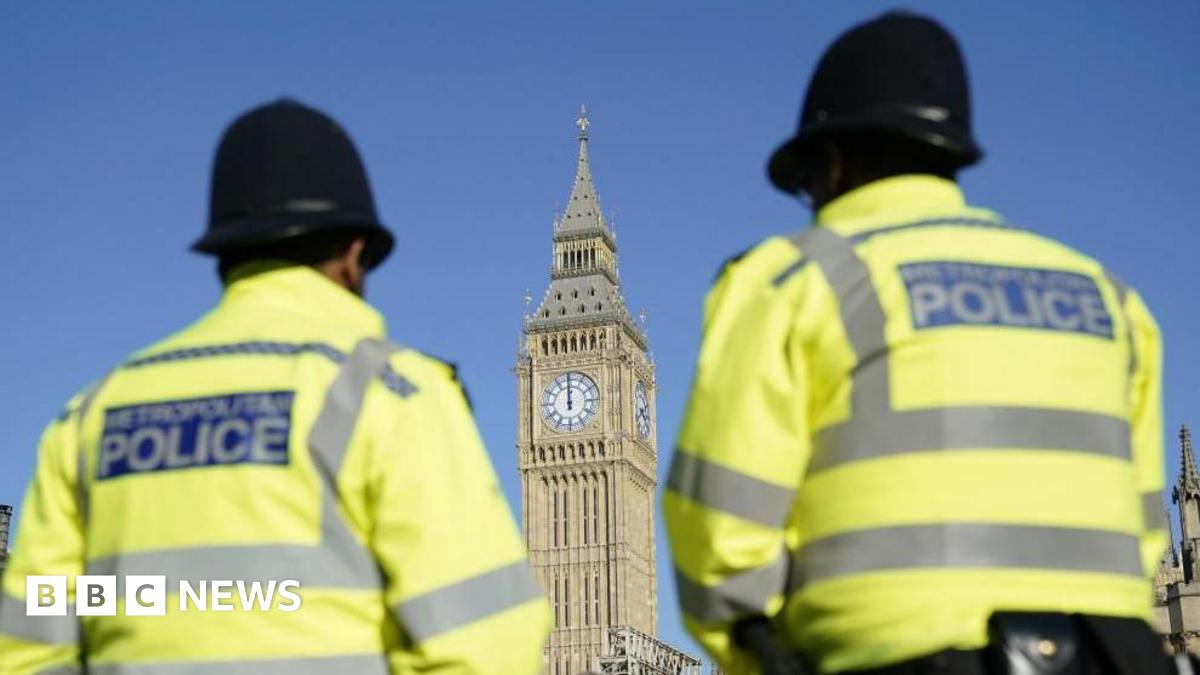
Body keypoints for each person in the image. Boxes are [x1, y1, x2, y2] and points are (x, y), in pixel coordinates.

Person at [664, 12, 1172, 675]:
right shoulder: (1110, 295)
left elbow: (718, 544)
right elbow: (1144, 531)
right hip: (1118, 660)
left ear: (833, 161)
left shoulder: (792, 280)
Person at [0, 99, 551, 674]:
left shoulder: (94, 414)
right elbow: (486, 644)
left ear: (226, 254)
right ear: (354, 254)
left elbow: (31, 639)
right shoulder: (389, 393)